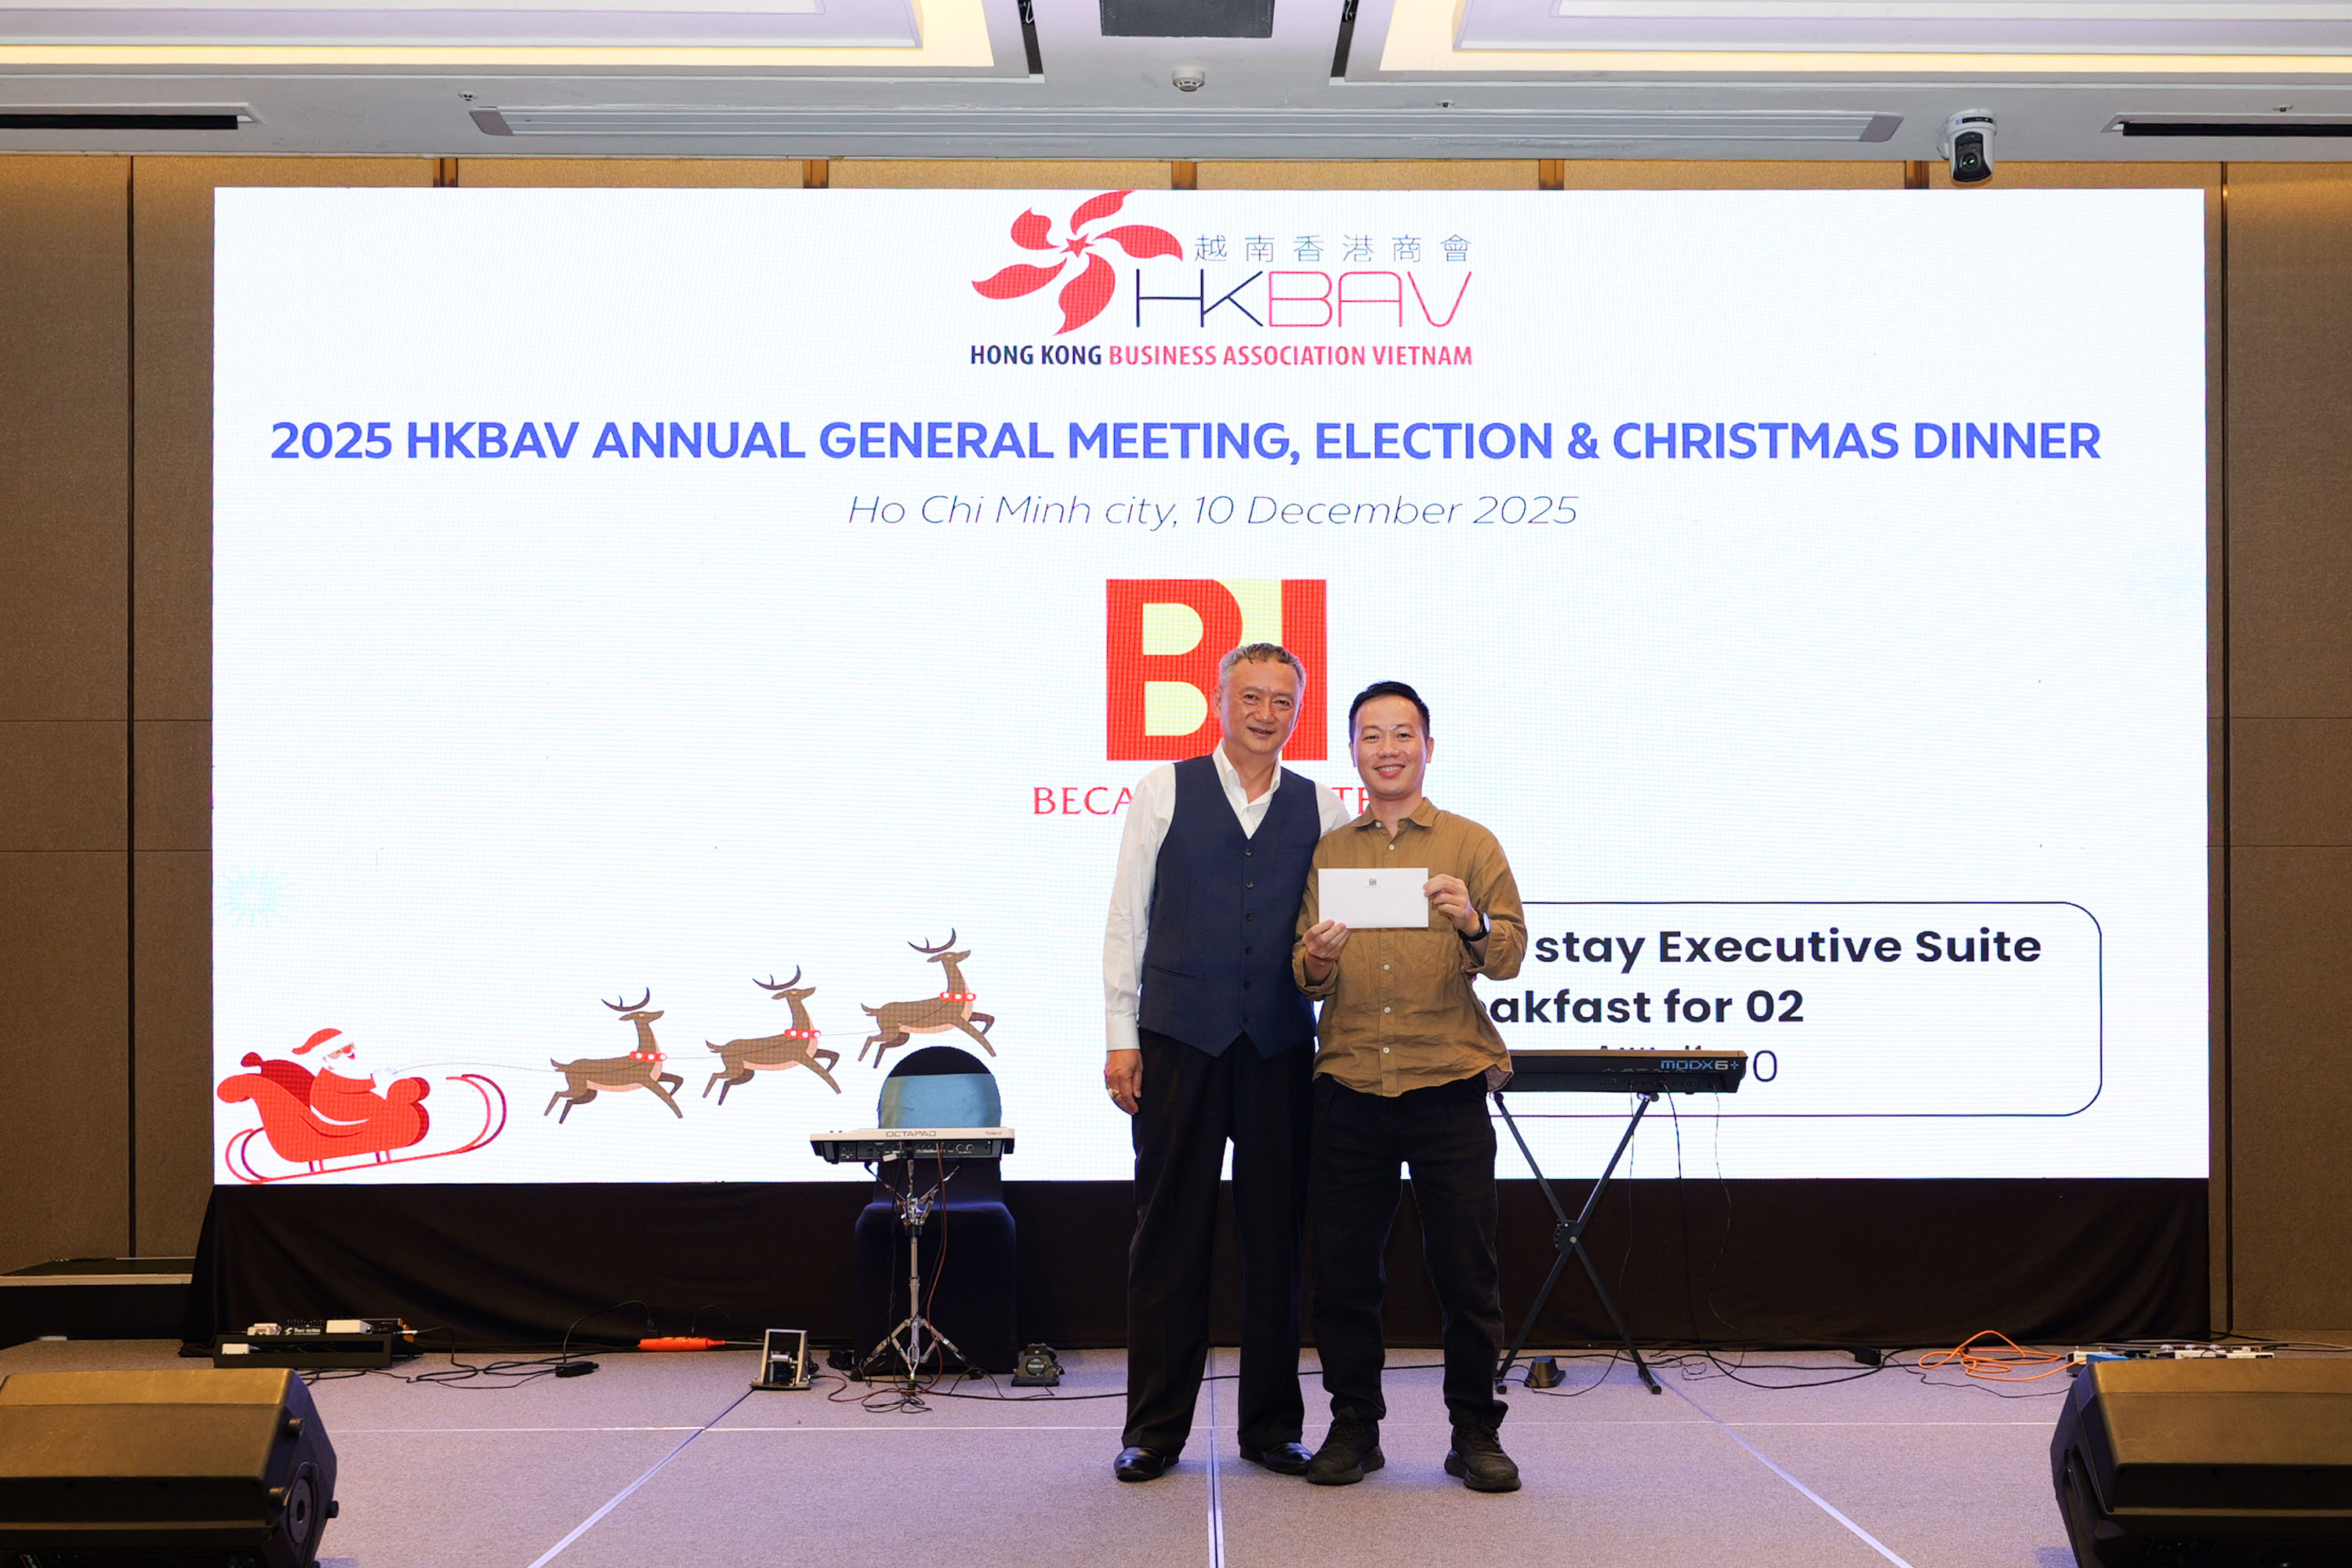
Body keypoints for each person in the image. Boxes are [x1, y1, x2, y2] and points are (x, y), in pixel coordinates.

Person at [1103, 642, 1356, 1483]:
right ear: (1219, 700)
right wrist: (1121, 1033)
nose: (1265, 713)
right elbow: (1127, 919)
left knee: (1277, 1237)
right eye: (1251, 696)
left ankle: (1272, 1427)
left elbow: (1337, 922)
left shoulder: (1322, 806)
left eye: (1282, 701)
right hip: (1178, 1038)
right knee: (1168, 1232)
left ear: (1297, 713)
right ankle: (1154, 1428)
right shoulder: (1162, 790)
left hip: (1279, 1043)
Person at [1291, 680, 1528, 1494]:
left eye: (1402, 734)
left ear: (1429, 747)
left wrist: (1472, 921)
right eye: (1371, 735)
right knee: (1344, 1273)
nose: (1387, 749)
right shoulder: (1330, 851)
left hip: (1445, 1082)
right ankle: (1354, 1427)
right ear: (1352, 750)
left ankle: (1475, 1432)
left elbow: (1510, 955)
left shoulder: (1471, 843)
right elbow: (1304, 972)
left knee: (1466, 1271)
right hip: (1350, 1082)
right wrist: (1316, 957)